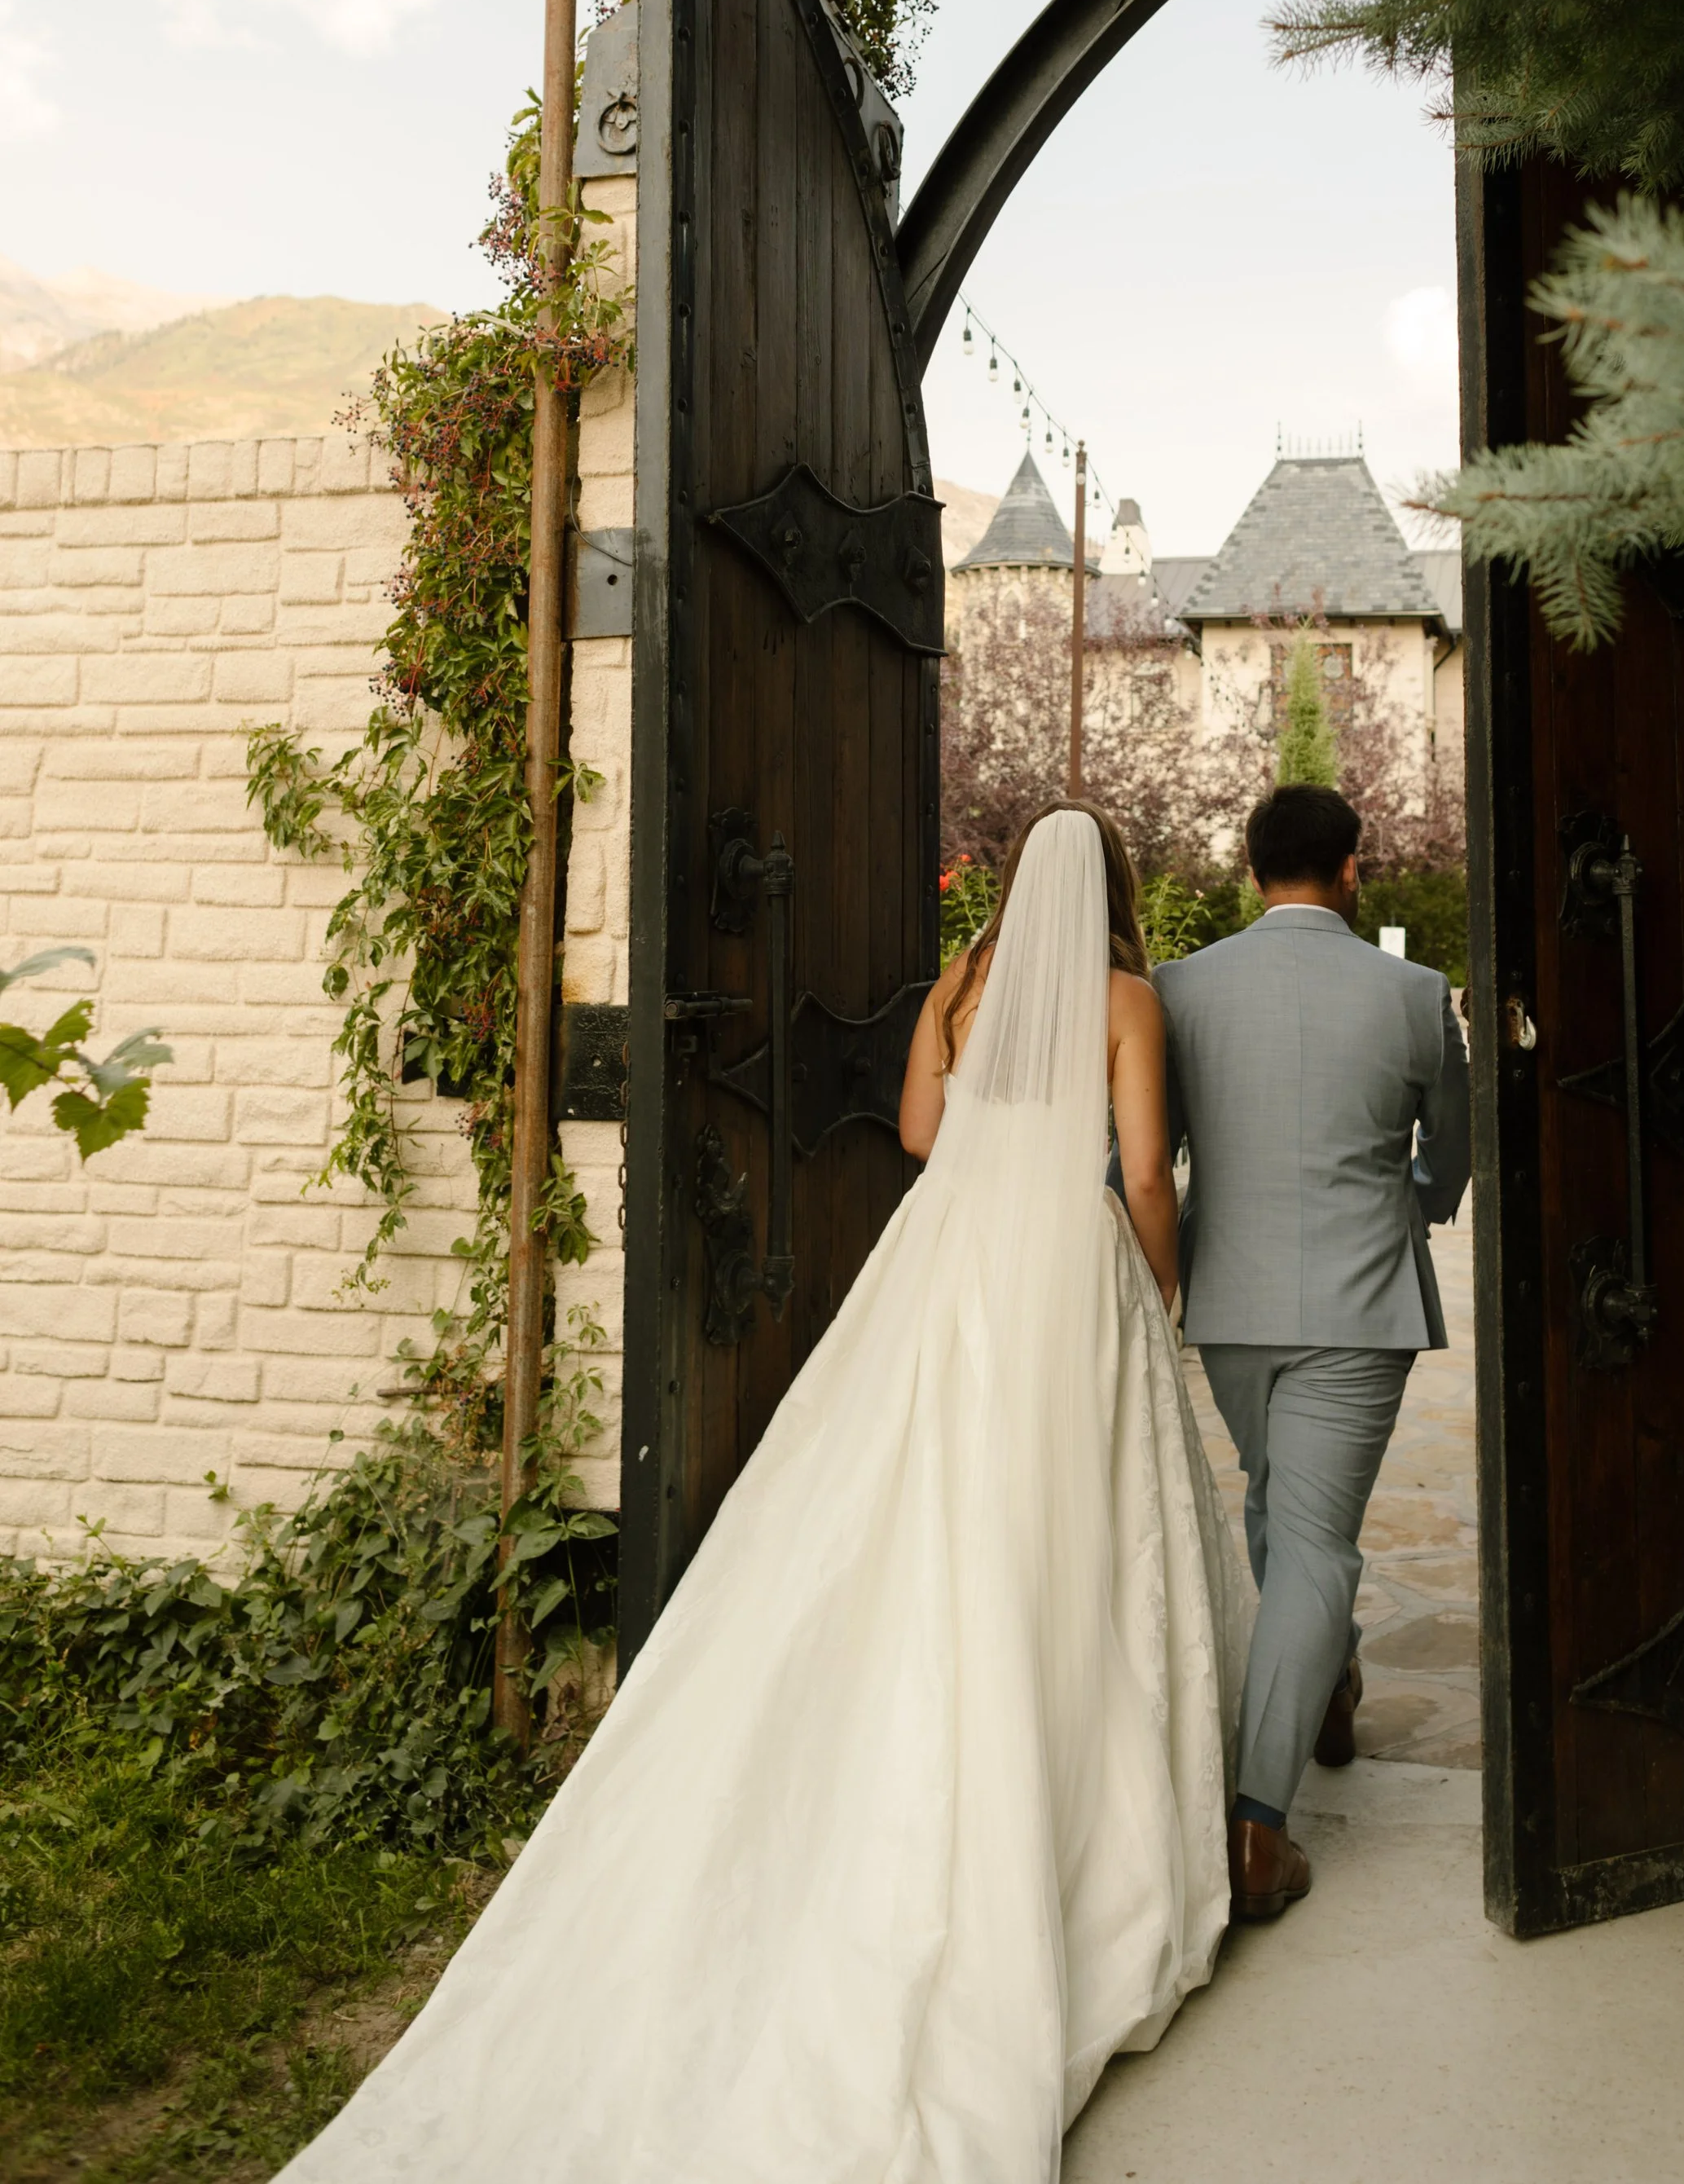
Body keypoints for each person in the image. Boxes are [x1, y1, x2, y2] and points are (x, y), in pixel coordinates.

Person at [279, 803, 1247, 2184]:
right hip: (1066, 1270)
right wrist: (1160, 1278)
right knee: (1073, 1532)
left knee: (923, 1501)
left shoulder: (960, 990)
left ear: (1018, 887)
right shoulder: (1126, 999)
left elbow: (916, 1133)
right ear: (1114, 889)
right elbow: (1146, 1169)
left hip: (947, 1258)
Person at [1156, 782, 1470, 1925]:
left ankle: (1325, 1682)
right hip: (1357, 1301)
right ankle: (1258, 1827)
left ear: (1250, 873)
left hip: (1227, 1299)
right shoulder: (1416, 993)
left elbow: (1152, 1148)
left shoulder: (1181, 989)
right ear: (1352, 869)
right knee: (1316, 1545)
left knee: (1279, 1508)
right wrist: (1408, 1201)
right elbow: (1450, 1165)